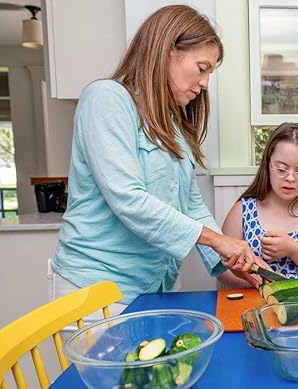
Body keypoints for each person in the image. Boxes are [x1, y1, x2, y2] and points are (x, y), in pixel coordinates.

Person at [50, 5, 267, 306]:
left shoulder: (173, 123)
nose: (205, 84)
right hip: (98, 288)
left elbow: (190, 203)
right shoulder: (106, 99)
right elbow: (129, 199)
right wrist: (218, 240)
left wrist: (227, 255)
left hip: (157, 284)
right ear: (167, 51)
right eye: (202, 68)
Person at [217, 123, 298, 287]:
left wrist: (293, 250)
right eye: (281, 169)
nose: (290, 178)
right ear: (268, 164)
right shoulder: (243, 210)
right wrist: (261, 280)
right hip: (256, 303)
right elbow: (221, 270)